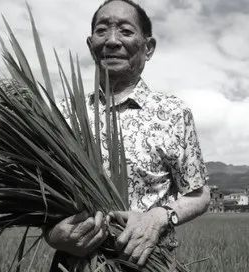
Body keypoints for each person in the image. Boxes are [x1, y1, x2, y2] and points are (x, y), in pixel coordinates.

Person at [45, 0, 210, 269]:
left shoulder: (173, 112)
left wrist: (159, 217)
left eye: (125, 31)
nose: (111, 40)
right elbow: (43, 198)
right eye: (102, 31)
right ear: (90, 45)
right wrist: (52, 235)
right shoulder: (64, 114)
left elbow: (199, 195)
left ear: (148, 47)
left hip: (147, 264)